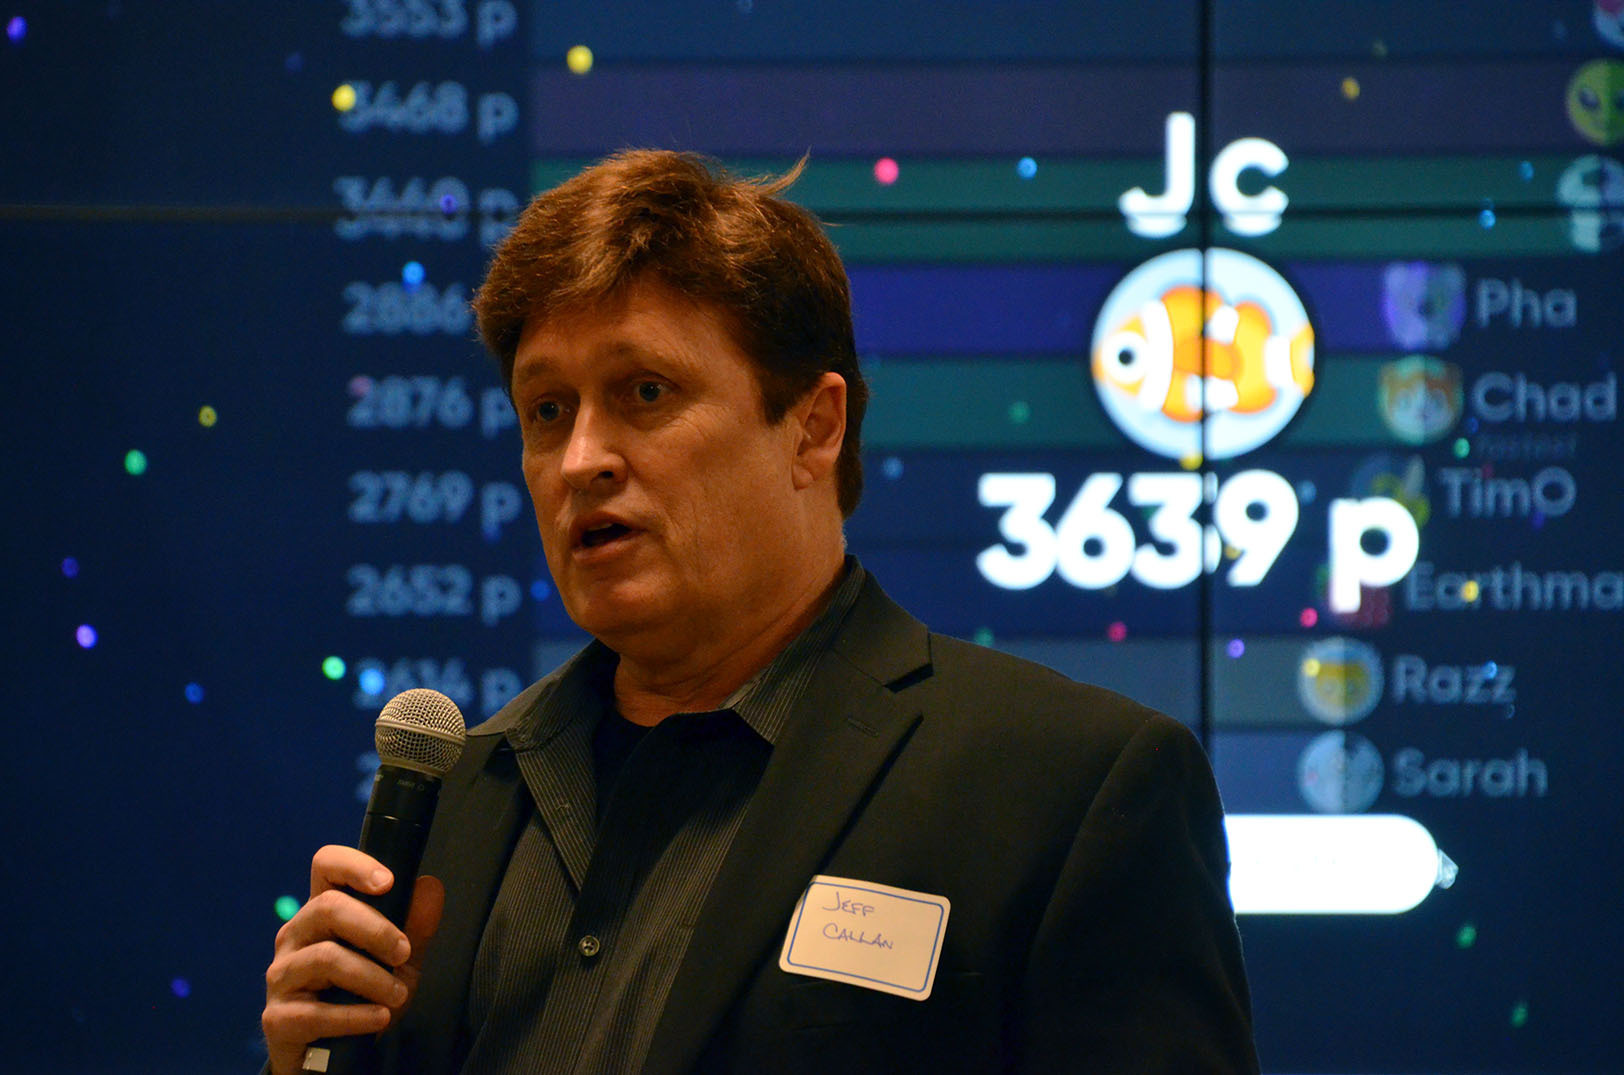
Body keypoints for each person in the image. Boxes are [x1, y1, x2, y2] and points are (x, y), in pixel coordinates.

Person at [262, 150, 1258, 1073]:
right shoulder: (466, 796)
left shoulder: (1065, 792)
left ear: (813, 429)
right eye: (547, 411)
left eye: (645, 391)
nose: (580, 460)